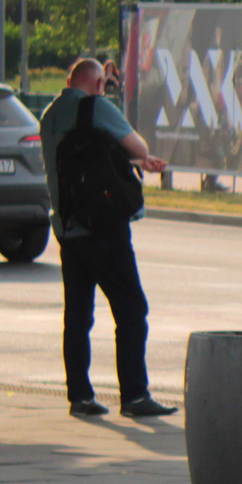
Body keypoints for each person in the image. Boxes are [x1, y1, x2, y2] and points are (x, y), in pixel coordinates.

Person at [40, 57, 172, 419]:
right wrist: (141, 159)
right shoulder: (97, 107)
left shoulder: (49, 115)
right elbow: (139, 147)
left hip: (68, 229)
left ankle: (79, 397)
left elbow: (85, 159)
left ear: (69, 80)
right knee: (131, 309)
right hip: (104, 229)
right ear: (99, 83)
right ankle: (133, 395)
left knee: (78, 316)